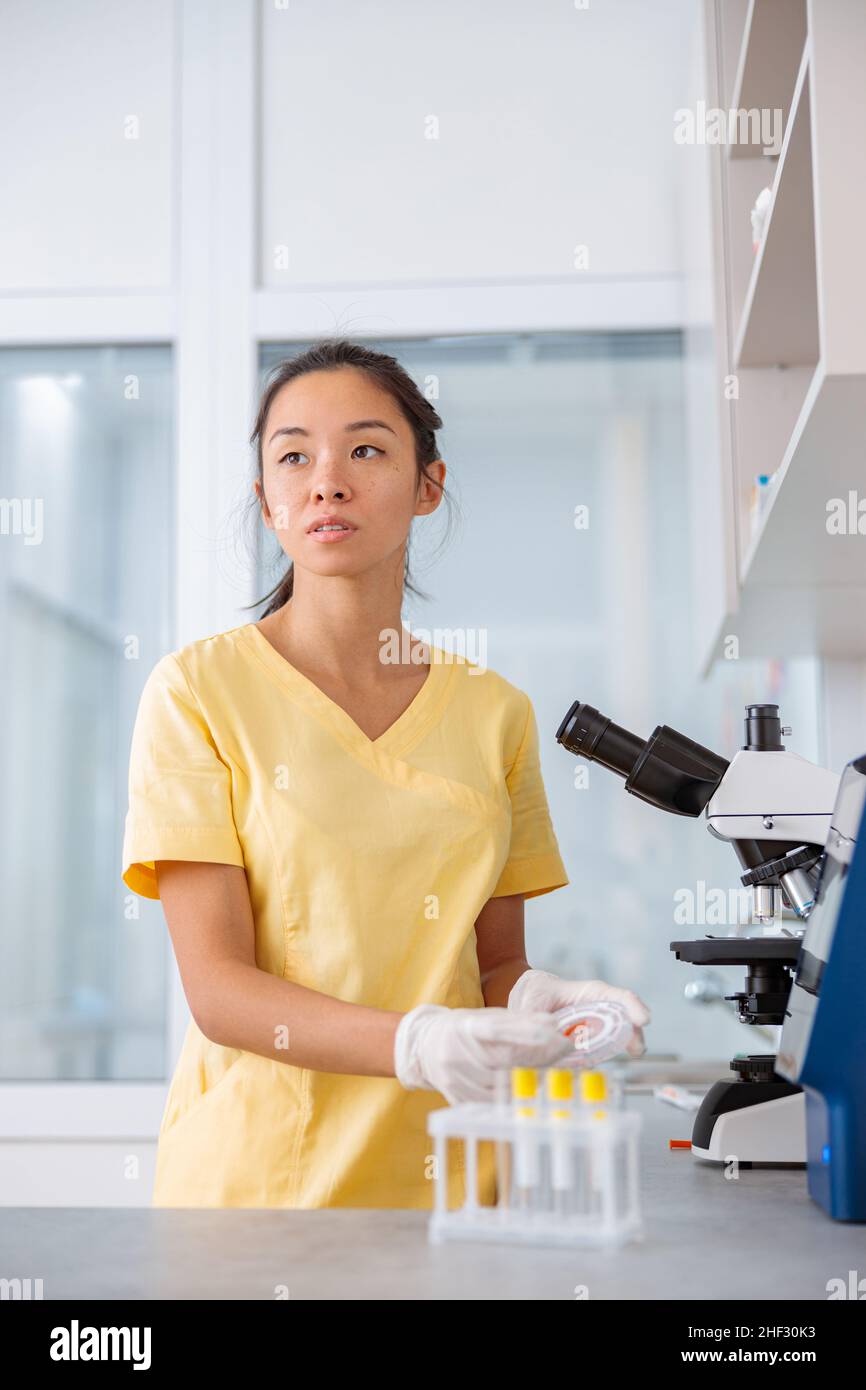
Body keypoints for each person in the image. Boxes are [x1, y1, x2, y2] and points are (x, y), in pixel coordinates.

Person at [121, 338, 650, 1208]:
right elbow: (219, 992)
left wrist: (540, 997)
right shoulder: (197, 693)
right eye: (293, 456)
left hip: (451, 1182)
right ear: (268, 501)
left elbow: (491, 968)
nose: (326, 480)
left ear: (428, 486)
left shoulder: (493, 712)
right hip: (262, 1195)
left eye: (366, 449)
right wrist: (415, 1042)